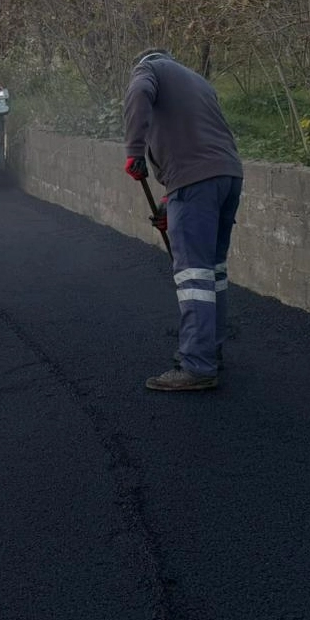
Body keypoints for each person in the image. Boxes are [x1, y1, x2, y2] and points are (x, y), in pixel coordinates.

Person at [122, 48, 244, 392]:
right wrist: (168, 202)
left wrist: (133, 151)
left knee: (193, 275)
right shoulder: (198, 82)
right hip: (228, 176)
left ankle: (196, 365)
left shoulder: (149, 70)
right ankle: (210, 351)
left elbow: (138, 92)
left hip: (195, 183)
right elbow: (196, 141)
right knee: (213, 271)